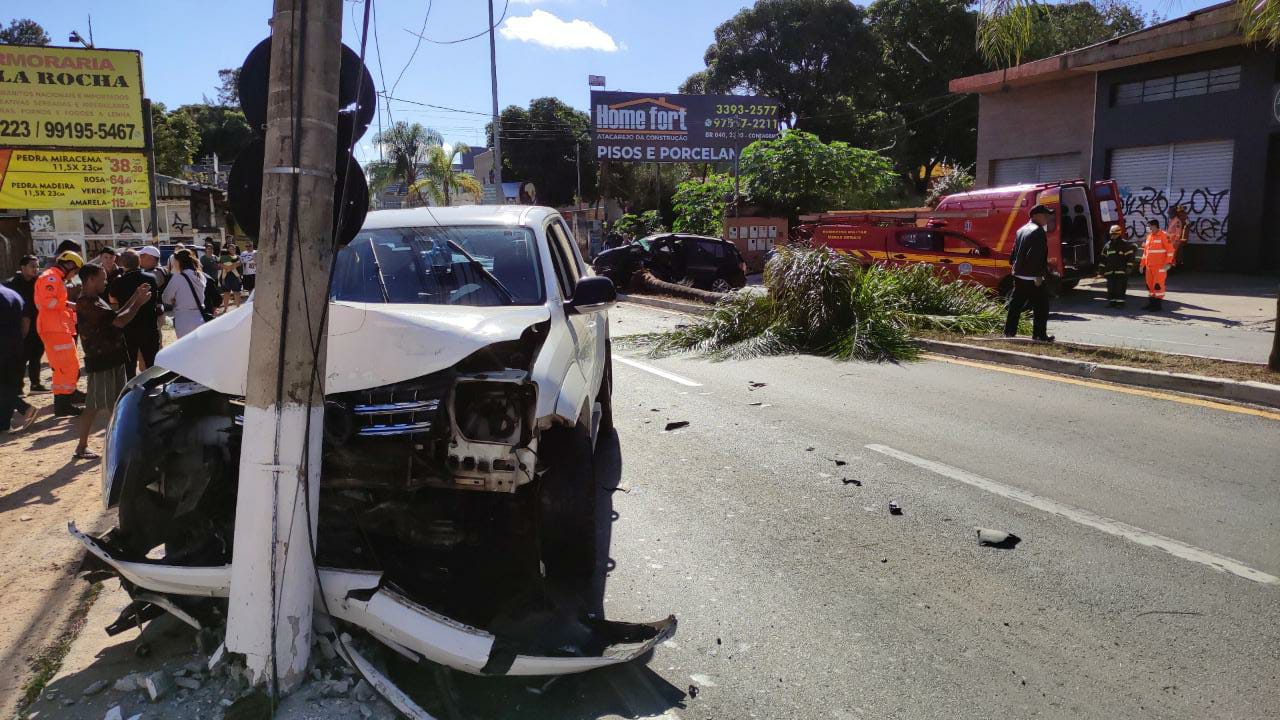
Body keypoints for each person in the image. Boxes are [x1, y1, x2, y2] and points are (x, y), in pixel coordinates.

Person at [72, 264, 152, 459]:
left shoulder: (94, 300)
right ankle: (118, 447)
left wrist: (134, 297)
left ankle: (85, 447)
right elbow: (120, 322)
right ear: (90, 280)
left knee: (102, 403)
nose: (105, 281)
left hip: (109, 358)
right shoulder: (87, 303)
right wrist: (138, 303)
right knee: (109, 405)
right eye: (101, 278)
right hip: (102, 360)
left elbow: (114, 317)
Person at [34, 250, 86, 417]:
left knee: (63, 367)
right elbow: (48, 302)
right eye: (75, 270)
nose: (74, 274)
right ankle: (64, 403)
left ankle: (66, 397)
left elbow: (53, 302)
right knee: (68, 366)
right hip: (54, 328)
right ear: (69, 265)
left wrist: (69, 305)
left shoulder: (53, 277)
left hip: (56, 327)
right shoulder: (51, 277)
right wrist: (66, 304)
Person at [108, 249, 163, 379]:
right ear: (139, 262)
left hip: (128, 326)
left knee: (129, 363)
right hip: (149, 325)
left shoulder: (119, 281)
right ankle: (152, 386)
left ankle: (130, 388)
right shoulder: (151, 278)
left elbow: (112, 300)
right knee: (152, 361)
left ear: (122, 263)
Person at [1003, 204, 1055, 342]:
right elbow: (1035, 256)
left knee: (1015, 305)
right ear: (1036, 216)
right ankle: (1039, 335)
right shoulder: (1038, 231)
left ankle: (1009, 332)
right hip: (1032, 277)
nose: (1047, 218)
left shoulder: (1021, 230)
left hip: (1019, 275)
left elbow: (1014, 252)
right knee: (1041, 306)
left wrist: (1014, 267)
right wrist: (1038, 275)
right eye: (1045, 215)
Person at [3, 255, 45, 392]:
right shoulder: (11, 284)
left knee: (36, 354)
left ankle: (35, 383)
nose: (36, 269)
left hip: (37, 323)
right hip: (19, 325)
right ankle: (18, 386)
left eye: (37, 266)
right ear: (23, 267)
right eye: (32, 266)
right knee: (20, 357)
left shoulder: (38, 283)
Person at [0, 282, 38, 432]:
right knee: (7, 384)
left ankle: (25, 408)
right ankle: (3, 424)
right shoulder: (12, 294)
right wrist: (18, 339)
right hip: (16, 346)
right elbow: (26, 320)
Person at [162, 250, 208, 338]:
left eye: (174, 261)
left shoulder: (178, 277)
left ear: (180, 262)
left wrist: (175, 299)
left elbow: (166, 298)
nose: (173, 264)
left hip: (184, 319)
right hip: (200, 316)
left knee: (185, 348)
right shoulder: (201, 275)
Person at [1140, 219, 1175, 311]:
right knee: (1150, 285)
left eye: (1149, 226)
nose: (1148, 228)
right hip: (1149, 267)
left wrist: (1168, 263)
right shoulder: (1149, 237)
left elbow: (1170, 250)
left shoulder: (1164, 235)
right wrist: (1142, 264)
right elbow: (1145, 252)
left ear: (1155, 226)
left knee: (1158, 285)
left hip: (1160, 267)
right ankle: (1151, 303)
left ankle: (1157, 305)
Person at [1099, 225, 1135, 307]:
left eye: (1115, 234)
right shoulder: (1107, 245)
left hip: (1121, 271)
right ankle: (1112, 302)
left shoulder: (1125, 245)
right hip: (1110, 271)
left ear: (1119, 234)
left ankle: (1120, 303)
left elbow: (1130, 257)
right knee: (1111, 287)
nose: (1113, 235)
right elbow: (1103, 258)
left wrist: (1129, 267)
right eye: (1112, 234)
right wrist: (1101, 270)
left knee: (1120, 288)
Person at [219, 243, 242, 311]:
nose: (232, 250)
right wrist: (230, 266)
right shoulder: (224, 257)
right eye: (230, 249)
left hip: (235, 277)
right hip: (225, 277)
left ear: (235, 249)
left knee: (237, 292)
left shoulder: (238, 257)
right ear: (228, 250)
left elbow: (239, 264)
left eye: (233, 249)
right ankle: (225, 308)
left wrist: (228, 267)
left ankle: (238, 308)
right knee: (226, 293)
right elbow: (220, 265)